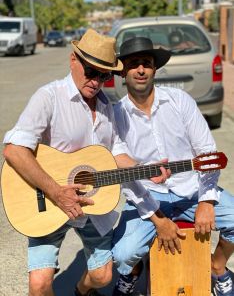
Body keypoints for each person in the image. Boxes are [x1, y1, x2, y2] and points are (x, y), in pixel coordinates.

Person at [2, 30, 169, 296]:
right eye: (91, 71)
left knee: (102, 277)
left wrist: (146, 170)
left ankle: (81, 292)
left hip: (91, 207)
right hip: (49, 201)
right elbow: (14, 150)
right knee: (39, 284)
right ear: (73, 60)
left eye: (104, 75)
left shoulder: (106, 107)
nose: (96, 82)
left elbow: (116, 151)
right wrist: (56, 192)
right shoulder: (49, 97)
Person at [111, 36, 234, 296]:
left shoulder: (180, 101)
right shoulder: (115, 115)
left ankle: (217, 267)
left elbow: (207, 153)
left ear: (155, 69)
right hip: (147, 196)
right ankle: (134, 274)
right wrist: (157, 219)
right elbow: (127, 179)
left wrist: (206, 201)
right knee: (122, 255)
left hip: (191, 190)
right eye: (134, 64)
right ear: (123, 71)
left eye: (146, 63)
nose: (141, 69)